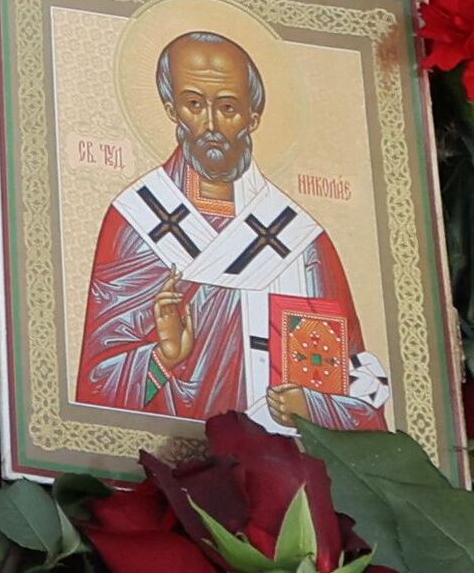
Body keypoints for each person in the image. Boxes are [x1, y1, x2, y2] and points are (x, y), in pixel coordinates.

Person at [75, 30, 392, 431]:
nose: (210, 124)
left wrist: (311, 407)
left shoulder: (300, 240)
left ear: (253, 117)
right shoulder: (136, 220)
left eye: (228, 107)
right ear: (171, 109)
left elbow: (355, 386)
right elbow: (96, 385)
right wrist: (163, 358)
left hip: (276, 471)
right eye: (193, 104)